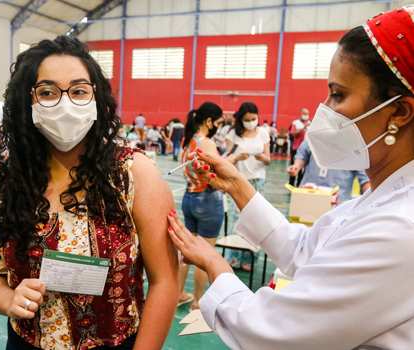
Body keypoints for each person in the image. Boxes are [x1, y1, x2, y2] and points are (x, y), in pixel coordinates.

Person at [167, 7, 414, 349]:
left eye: (338, 95)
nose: (324, 108)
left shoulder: (400, 227)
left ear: (399, 112)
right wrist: (237, 185)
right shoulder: (383, 198)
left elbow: (269, 331)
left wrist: (213, 263)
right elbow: (306, 249)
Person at [0, 36, 179, 350]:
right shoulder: (8, 182)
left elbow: (165, 282)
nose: (65, 104)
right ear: (27, 103)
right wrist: (10, 298)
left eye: (79, 90)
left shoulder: (132, 173)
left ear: (96, 98)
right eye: (48, 92)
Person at [177, 102, 224, 310]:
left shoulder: (188, 142)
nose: (219, 126)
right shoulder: (207, 144)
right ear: (208, 121)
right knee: (204, 254)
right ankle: (197, 301)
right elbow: (220, 173)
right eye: (218, 122)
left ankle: (178, 294)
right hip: (207, 199)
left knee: (187, 252)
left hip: (189, 198)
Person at [225, 102, 270, 271]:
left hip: (257, 180)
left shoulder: (263, 133)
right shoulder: (233, 135)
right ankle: (233, 257)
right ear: (240, 119)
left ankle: (249, 258)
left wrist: (262, 158)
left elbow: (269, 158)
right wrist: (237, 157)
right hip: (238, 180)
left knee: (254, 218)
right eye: (247, 119)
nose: (251, 122)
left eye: (254, 119)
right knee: (237, 220)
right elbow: (227, 159)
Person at [288, 140, 370, 203]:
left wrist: (370, 200)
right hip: (308, 195)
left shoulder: (355, 147)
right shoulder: (315, 137)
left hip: (337, 203)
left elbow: (365, 180)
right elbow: (302, 154)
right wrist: (296, 166)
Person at [289, 108, 311, 186]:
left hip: (306, 150)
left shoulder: (310, 123)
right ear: (301, 113)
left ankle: (299, 185)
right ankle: (291, 184)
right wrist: (303, 127)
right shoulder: (295, 123)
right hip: (296, 148)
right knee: (294, 166)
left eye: (307, 114)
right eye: (304, 114)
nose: (306, 116)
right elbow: (293, 133)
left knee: (303, 169)